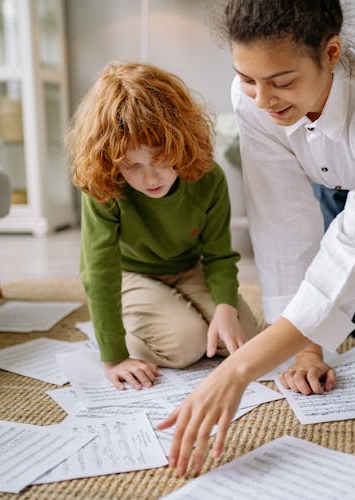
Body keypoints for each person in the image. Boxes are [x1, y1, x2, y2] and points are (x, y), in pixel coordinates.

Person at [158, 0, 355, 475]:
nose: (262, 99)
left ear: (330, 53)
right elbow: (280, 218)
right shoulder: (254, 99)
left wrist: (238, 371)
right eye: (247, 78)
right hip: (336, 179)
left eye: (282, 81)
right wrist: (305, 348)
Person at [66, 62, 259, 391]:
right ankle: (124, 322)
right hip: (132, 274)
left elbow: (218, 254)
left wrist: (225, 307)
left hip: (187, 268)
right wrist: (113, 356)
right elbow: (100, 271)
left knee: (246, 338)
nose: (151, 178)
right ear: (112, 161)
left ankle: (173, 309)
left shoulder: (209, 178)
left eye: (160, 159)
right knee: (187, 344)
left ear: (181, 142)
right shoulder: (105, 188)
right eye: (132, 165)